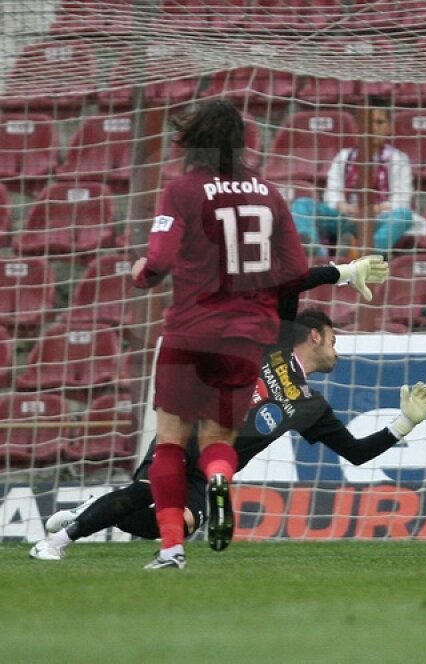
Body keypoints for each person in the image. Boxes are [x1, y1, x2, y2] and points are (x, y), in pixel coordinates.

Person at [30, 310, 426, 563]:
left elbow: (355, 452)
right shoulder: (272, 341)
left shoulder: (312, 406)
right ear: (314, 335)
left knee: (175, 524)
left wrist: (404, 424)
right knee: (145, 492)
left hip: (211, 470)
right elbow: (288, 284)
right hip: (189, 432)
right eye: (335, 341)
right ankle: (55, 543)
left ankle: (93, 508)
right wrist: (342, 272)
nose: (338, 351)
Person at [131, 98, 311, 570]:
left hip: (190, 332)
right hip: (246, 336)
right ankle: (218, 479)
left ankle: (172, 548)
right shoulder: (268, 193)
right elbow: (295, 270)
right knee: (219, 439)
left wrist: (142, 273)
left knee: (171, 442)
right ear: (240, 141)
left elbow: (160, 260)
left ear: (192, 141)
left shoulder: (182, 190)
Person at [290, 101, 425, 256]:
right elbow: (331, 195)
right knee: (302, 204)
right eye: (367, 123)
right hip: (346, 218)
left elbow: (402, 200)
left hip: (379, 220)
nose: (372, 128)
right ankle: (317, 254)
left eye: (379, 122)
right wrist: (344, 207)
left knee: (404, 216)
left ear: (389, 128)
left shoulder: (399, 159)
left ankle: (360, 254)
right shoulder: (344, 156)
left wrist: (373, 210)